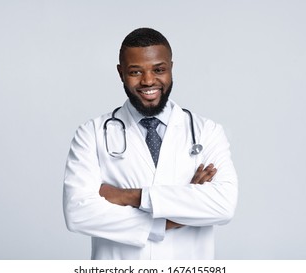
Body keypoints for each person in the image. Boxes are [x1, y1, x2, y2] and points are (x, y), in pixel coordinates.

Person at [63, 27, 238, 260]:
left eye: (159, 70)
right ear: (120, 73)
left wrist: (128, 196)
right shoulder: (92, 134)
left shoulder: (207, 131)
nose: (148, 81)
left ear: (171, 69)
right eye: (135, 71)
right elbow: (78, 213)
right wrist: (172, 215)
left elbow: (222, 206)